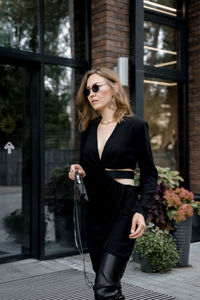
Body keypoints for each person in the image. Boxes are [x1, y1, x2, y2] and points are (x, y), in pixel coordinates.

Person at [68, 67, 158, 300]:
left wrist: (141, 210)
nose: (91, 94)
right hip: (95, 211)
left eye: (96, 87)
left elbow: (149, 173)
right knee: (110, 285)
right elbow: (89, 167)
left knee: (104, 288)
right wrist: (78, 170)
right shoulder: (88, 129)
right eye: (88, 90)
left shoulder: (135, 126)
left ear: (115, 88)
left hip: (123, 208)